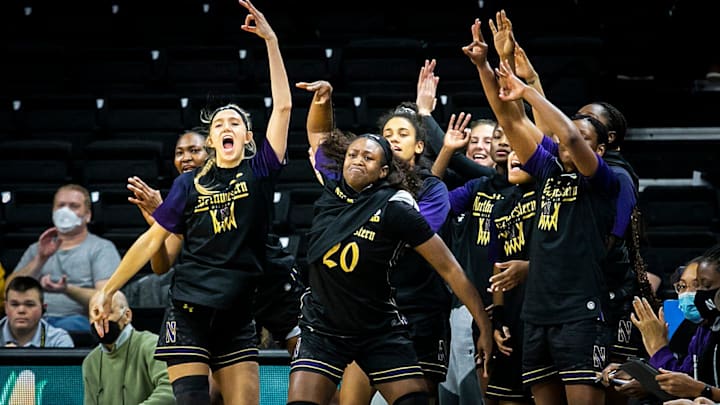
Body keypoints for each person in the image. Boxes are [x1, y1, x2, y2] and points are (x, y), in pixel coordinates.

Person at [90, 1, 292, 403]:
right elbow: (153, 243)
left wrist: (271, 41)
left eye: (236, 122)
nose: (227, 126)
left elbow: (283, 105)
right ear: (212, 141)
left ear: (248, 138)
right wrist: (108, 289)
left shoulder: (261, 169)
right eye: (219, 124)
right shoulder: (188, 183)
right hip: (188, 311)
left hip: (237, 314)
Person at [286, 80, 492, 405]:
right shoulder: (334, 188)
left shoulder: (399, 206)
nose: (356, 159)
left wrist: (484, 325)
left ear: (383, 171)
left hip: (383, 322)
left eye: (368, 157)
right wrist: (323, 99)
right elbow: (319, 135)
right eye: (352, 153)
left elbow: (451, 269)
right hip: (324, 324)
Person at [463, 11, 618, 405]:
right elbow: (508, 119)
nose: (570, 141)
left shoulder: (602, 181)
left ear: (598, 149)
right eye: (570, 139)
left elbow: (564, 131)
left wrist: (528, 89)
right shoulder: (548, 172)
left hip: (579, 312)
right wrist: (484, 66)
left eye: (584, 139)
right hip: (537, 313)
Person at [8, 184, 121, 332]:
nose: (65, 211)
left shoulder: (101, 248)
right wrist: (40, 258)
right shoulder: (37, 248)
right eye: (60, 206)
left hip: (76, 322)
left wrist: (67, 289)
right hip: (33, 321)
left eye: (74, 206)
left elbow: (108, 299)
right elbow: (9, 289)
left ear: (88, 215)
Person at [82, 290, 174, 405]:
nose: (102, 319)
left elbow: (170, 390)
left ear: (127, 315)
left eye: (109, 312)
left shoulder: (152, 345)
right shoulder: (91, 361)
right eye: (96, 313)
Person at [1, 276, 74, 347]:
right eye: (14, 304)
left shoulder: (58, 340)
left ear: (43, 308)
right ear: (6, 307)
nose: (21, 310)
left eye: (29, 304)